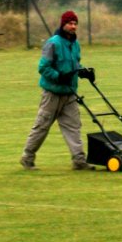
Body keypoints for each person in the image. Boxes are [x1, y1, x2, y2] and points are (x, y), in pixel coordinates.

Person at [20, 10, 96, 171]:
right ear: (63, 24)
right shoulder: (53, 43)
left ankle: (79, 161)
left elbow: (75, 64)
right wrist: (58, 76)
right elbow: (43, 67)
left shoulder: (75, 44)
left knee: (74, 127)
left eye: (75, 23)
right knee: (42, 126)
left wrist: (83, 72)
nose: (73, 26)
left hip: (69, 94)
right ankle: (27, 157)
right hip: (52, 94)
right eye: (70, 23)